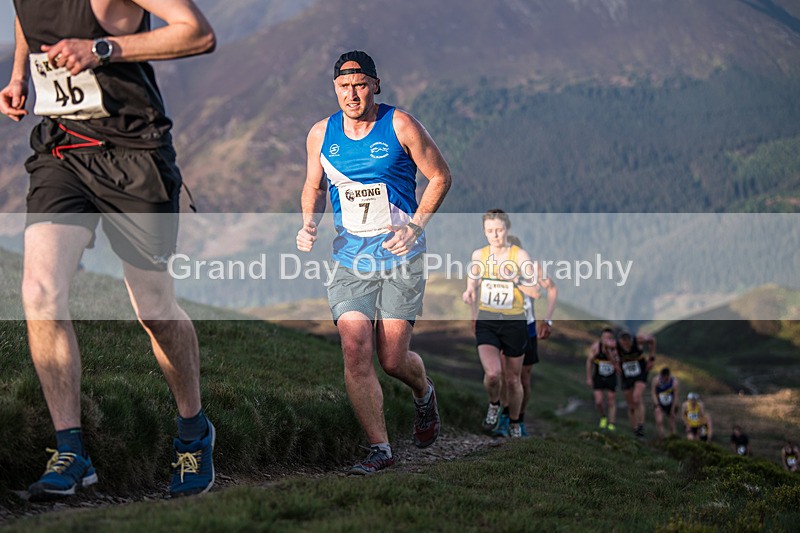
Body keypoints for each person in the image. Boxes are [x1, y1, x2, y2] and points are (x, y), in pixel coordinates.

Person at [0, 0, 216, 500]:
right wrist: (20, 75)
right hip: (62, 150)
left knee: (155, 311)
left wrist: (101, 48)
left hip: (135, 155)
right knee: (38, 290)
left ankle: (193, 432)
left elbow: (198, 34)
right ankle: (71, 450)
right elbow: (27, 17)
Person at [296, 50, 451, 474]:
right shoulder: (320, 133)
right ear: (334, 89)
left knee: (393, 359)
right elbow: (314, 185)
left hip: (401, 256)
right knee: (354, 348)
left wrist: (415, 227)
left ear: (375, 85)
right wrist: (309, 224)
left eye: (360, 85)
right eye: (344, 87)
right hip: (349, 259)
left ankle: (424, 393)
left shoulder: (399, 124)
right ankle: (379, 449)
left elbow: (440, 176)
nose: (352, 94)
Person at [462, 210, 542, 439]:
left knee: (512, 378)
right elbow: (473, 281)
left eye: (498, 230)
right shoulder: (480, 255)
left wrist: (516, 281)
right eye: (489, 231)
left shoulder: (519, 256)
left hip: (514, 322)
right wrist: (469, 293)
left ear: (507, 229)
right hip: (488, 320)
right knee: (494, 374)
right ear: (484, 231)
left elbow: (535, 290)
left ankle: (515, 423)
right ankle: (494, 404)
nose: (495, 235)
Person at [491, 235, 557, 438]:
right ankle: (504, 417)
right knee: (505, 375)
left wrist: (547, 320)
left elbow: (551, 288)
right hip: (504, 327)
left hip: (527, 329)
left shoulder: (532, 267)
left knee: (524, 379)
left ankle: (518, 418)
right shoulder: (492, 265)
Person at [617, 330, 656, 437]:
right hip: (626, 375)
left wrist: (652, 358)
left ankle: (641, 425)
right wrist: (614, 363)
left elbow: (652, 340)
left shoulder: (639, 340)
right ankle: (635, 429)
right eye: (623, 343)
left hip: (640, 372)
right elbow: (606, 348)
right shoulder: (615, 345)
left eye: (627, 342)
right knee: (631, 405)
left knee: (637, 397)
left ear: (630, 340)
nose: (625, 345)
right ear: (620, 341)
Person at [586, 328, 619, 431]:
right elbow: (589, 362)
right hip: (598, 376)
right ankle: (603, 417)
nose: (605, 340)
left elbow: (617, 364)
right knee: (598, 401)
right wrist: (589, 377)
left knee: (611, 400)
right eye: (604, 338)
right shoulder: (596, 347)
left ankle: (611, 424)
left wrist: (610, 352)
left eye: (608, 338)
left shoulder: (616, 348)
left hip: (611, 376)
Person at [651, 367, 679, 438]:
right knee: (659, 421)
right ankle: (662, 436)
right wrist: (656, 405)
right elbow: (653, 393)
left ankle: (673, 438)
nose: (664, 379)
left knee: (672, 424)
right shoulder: (656, 380)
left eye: (665, 377)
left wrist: (673, 409)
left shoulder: (674, 383)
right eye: (662, 377)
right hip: (660, 403)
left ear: (668, 376)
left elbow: (676, 397)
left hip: (670, 404)